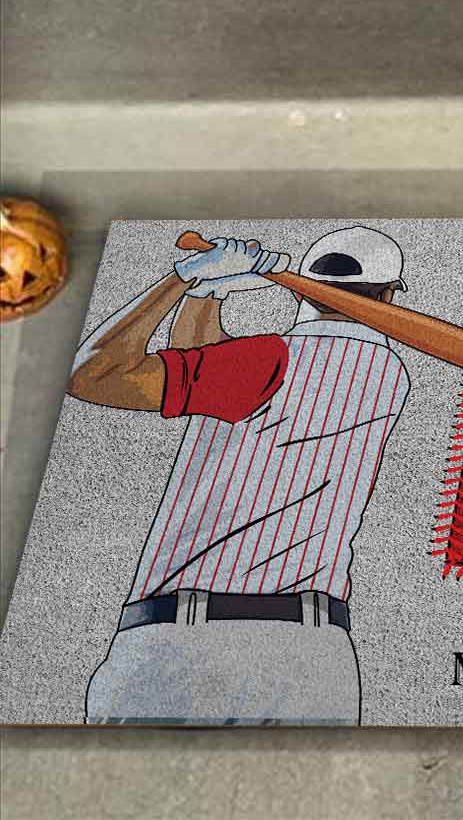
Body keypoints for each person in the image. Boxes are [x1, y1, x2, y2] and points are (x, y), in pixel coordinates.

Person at [70, 227, 411, 724]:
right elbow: (208, 365)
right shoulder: (386, 372)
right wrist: (211, 295)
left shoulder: (264, 361)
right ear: (388, 296)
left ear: (299, 290)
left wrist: (181, 280)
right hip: (315, 662)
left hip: (184, 647)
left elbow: (91, 374)